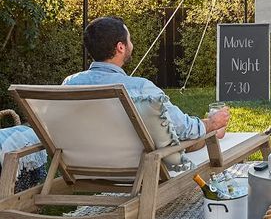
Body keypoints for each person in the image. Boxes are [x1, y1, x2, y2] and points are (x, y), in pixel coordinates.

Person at [63, 17, 229, 147]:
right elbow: (182, 129)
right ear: (121, 47)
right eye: (130, 39)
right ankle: (213, 131)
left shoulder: (69, 84)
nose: (131, 44)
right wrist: (212, 122)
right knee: (183, 137)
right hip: (136, 166)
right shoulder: (139, 88)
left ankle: (212, 130)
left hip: (83, 166)